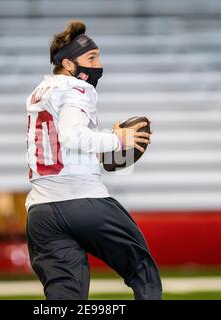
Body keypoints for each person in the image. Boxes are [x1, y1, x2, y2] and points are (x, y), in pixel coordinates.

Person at [25, 20, 162, 300]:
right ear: (69, 64)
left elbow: (64, 148)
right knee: (143, 271)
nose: (99, 64)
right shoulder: (76, 89)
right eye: (91, 57)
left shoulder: (41, 91)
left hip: (41, 212)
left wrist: (100, 148)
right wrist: (117, 140)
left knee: (65, 296)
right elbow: (72, 136)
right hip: (84, 202)